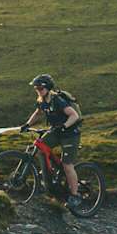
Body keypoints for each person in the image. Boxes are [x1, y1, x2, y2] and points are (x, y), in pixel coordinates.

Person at [19, 74, 82, 208]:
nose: (38, 90)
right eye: (36, 88)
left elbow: (74, 115)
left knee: (67, 165)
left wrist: (64, 126)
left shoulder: (58, 100)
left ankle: (75, 195)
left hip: (70, 134)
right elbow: (38, 113)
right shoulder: (42, 100)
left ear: (47, 88)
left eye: (40, 88)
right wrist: (27, 125)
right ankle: (49, 180)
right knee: (40, 148)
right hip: (57, 131)